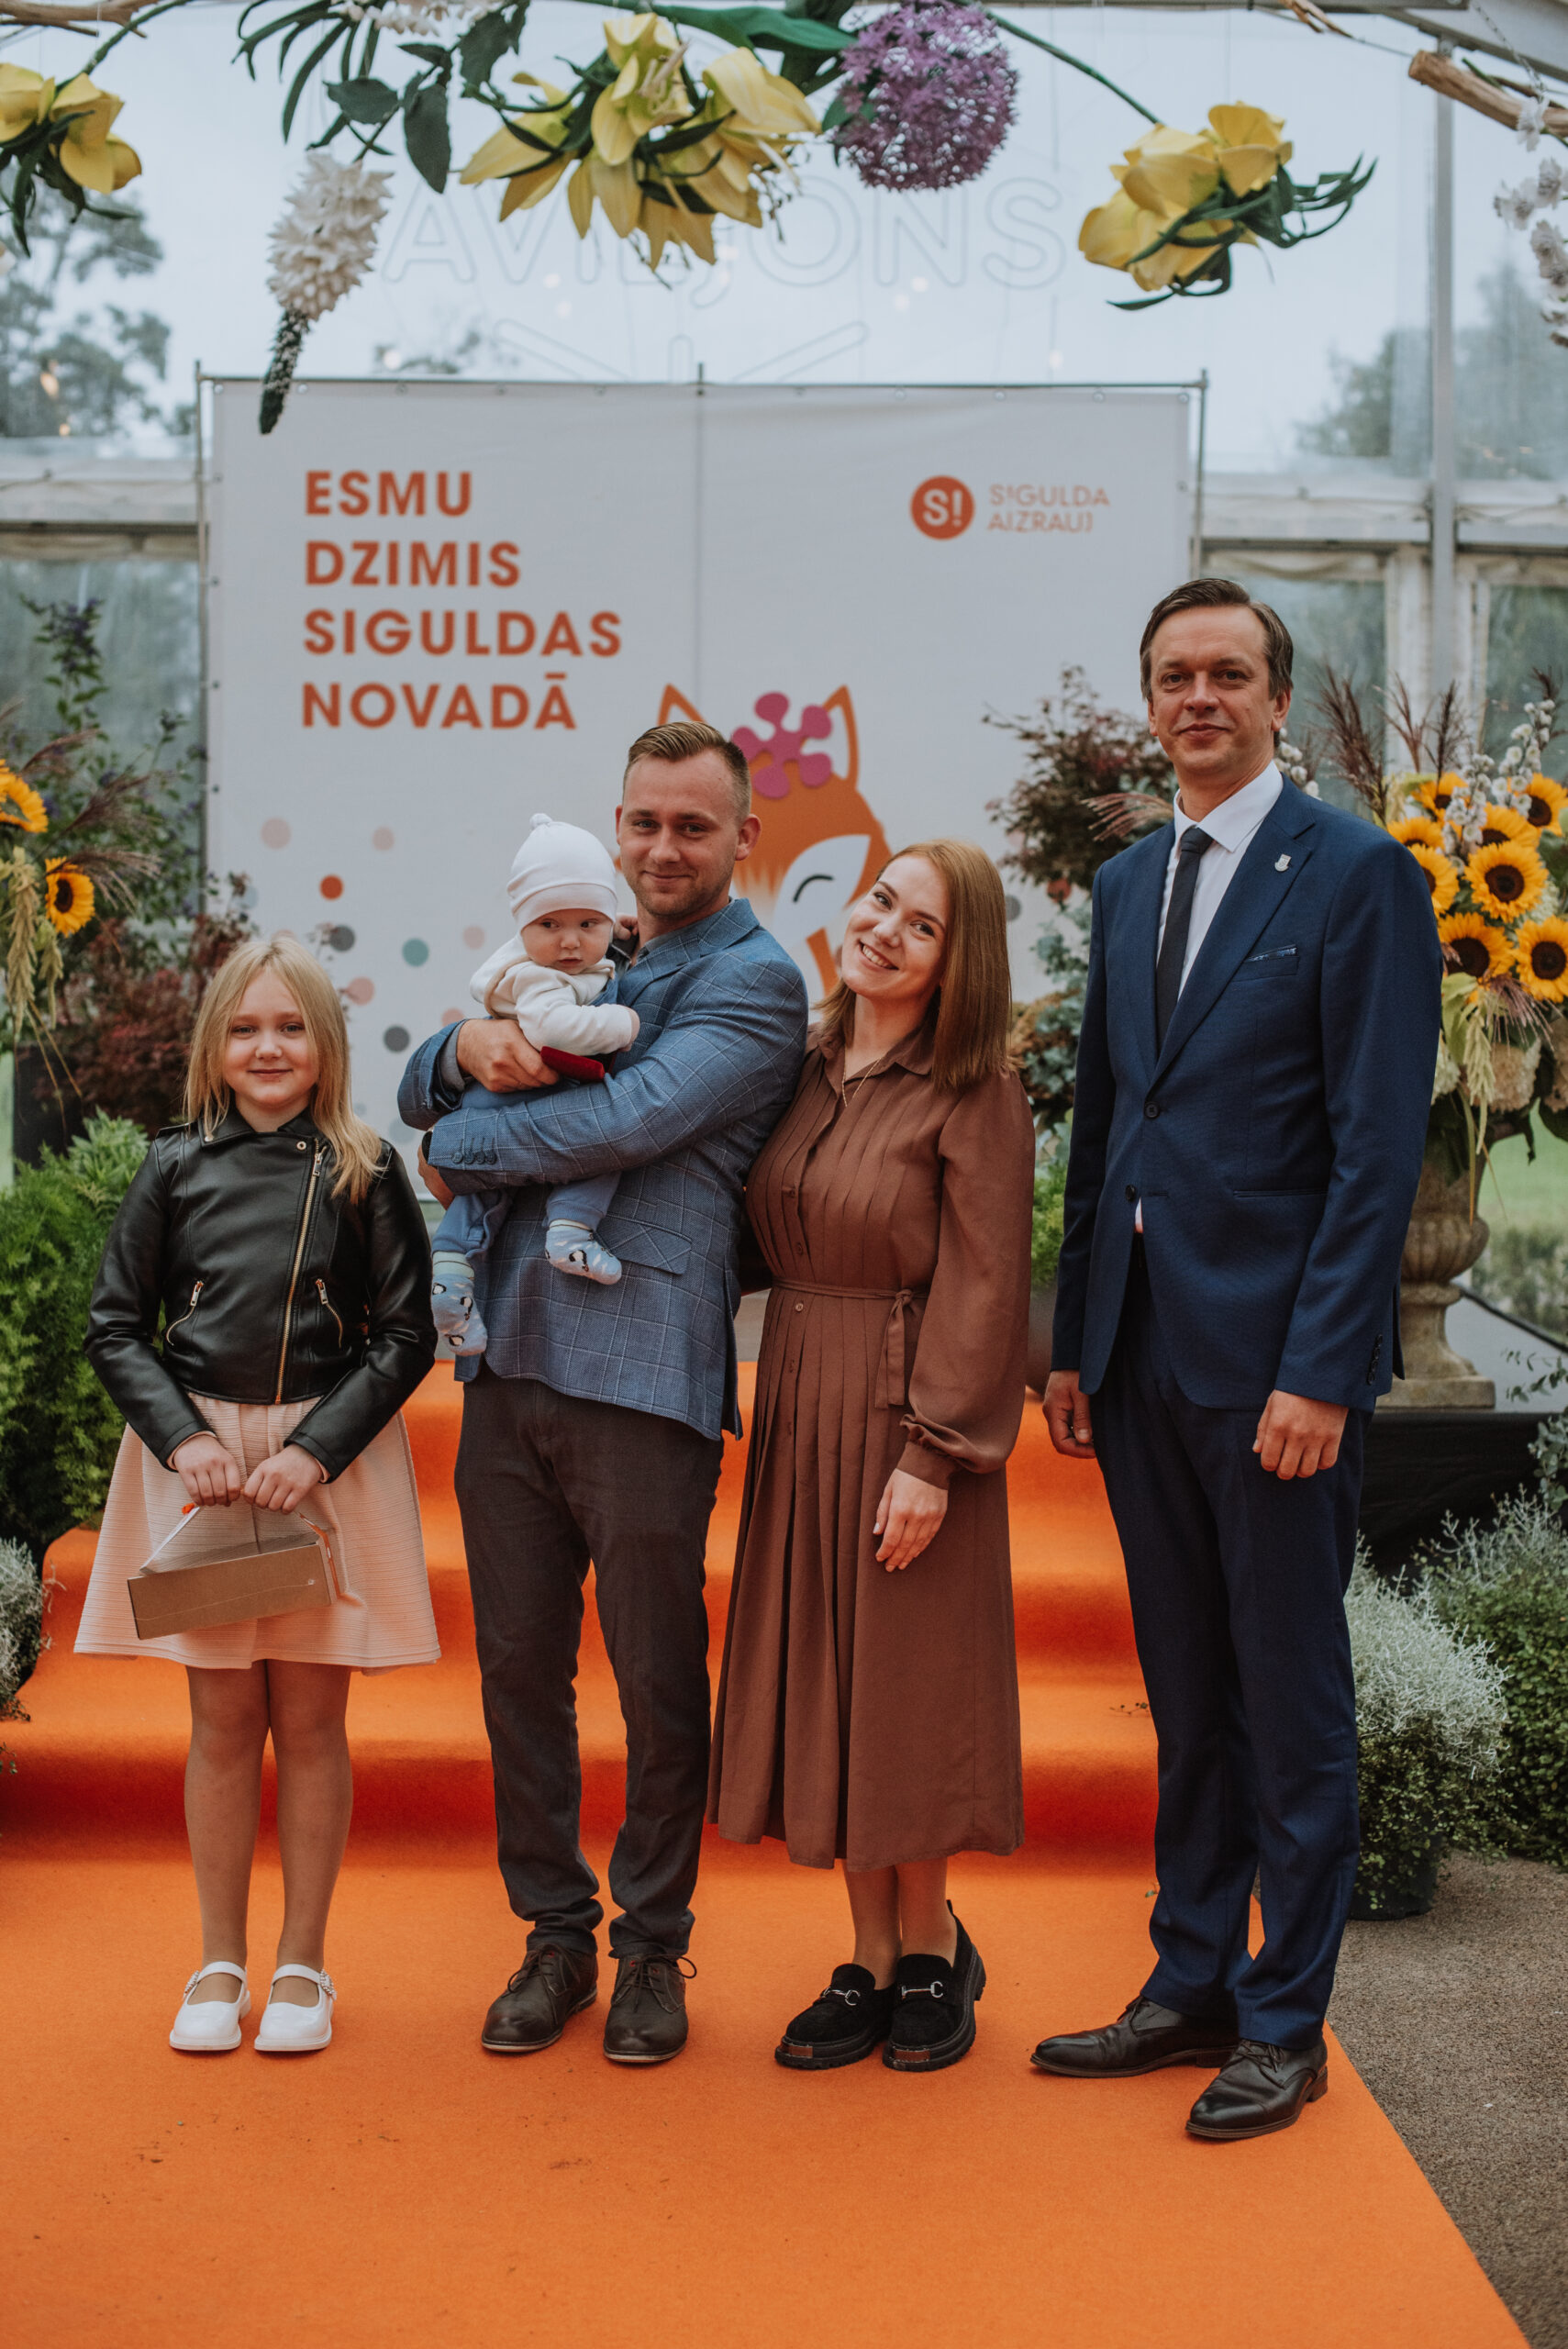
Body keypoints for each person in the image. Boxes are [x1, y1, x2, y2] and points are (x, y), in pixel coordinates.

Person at [1031, 578, 1441, 2140]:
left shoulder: (1356, 875)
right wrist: (1073, 1339)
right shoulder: (1131, 878)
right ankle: (1190, 1978)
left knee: (1288, 1701)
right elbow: (1104, 1122)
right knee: (1187, 1694)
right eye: (1171, 675)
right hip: (1140, 1360)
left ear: (1276, 697)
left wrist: (1322, 1371)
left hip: (1277, 1373)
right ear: (1148, 702)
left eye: (1225, 673)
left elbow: (1373, 1151)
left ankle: (1284, 2019)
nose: (1195, 697)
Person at [400, 720, 807, 2065]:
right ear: (615, 822)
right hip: (504, 1362)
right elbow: (420, 1068)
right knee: (518, 1671)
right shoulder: (587, 947)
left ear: (743, 835)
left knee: (653, 1675)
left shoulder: (755, 983)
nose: (662, 847)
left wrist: (460, 1133)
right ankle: (553, 1936)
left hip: (643, 1371)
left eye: (692, 825)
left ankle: (650, 1945)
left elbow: (621, 1123)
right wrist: (458, 1051)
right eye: (643, 821)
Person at [708, 841, 1035, 2074]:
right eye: (882, 900)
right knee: (827, 1671)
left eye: (923, 925)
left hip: (906, 1411)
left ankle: (934, 1944)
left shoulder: (973, 1090)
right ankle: (867, 1956)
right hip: (800, 1394)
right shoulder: (798, 1066)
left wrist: (933, 1455)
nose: (885, 929)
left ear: (959, 964)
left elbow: (986, 1284)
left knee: (905, 1680)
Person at [78, 936, 439, 2056]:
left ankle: (302, 1966)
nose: (268, 1047)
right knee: (223, 1719)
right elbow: (114, 1326)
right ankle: (219, 1960)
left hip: (320, 1470)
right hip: (205, 1472)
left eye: (290, 1027)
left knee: (314, 1723)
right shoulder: (171, 1166)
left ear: (324, 1043)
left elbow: (405, 1334)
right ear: (214, 1045)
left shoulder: (365, 1168)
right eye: (245, 1029)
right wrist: (183, 1438)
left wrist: (316, 1449)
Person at [429, 811, 640, 1350]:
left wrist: (615, 939)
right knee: (602, 1143)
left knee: (481, 1198)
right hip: (528, 1098)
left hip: (493, 1103)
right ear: (522, 927)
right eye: (550, 925)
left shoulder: (561, 964)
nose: (570, 942)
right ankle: (571, 1231)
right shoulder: (539, 977)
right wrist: (623, 1023)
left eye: (588, 924)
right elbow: (556, 1027)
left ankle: (450, 1274)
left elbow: (592, 961)